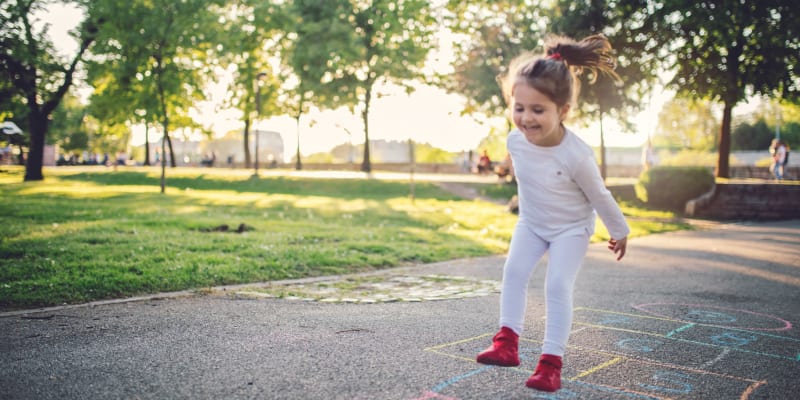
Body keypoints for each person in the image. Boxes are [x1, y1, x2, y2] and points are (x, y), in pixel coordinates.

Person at [475, 34, 629, 393]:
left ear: (563, 111)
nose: (526, 119)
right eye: (519, 107)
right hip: (532, 223)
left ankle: (550, 364)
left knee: (557, 285)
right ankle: (506, 345)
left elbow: (600, 196)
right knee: (513, 271)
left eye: (538, 110)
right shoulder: (515, 141)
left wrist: (619, 230)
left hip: (570, 229)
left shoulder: (576, 155)